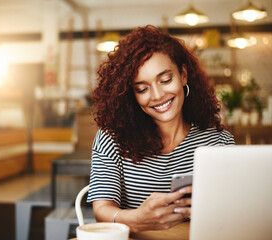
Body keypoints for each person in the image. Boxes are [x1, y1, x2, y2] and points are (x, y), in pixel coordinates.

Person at [86, 25, 235, 233]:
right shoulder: (112, 139)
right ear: (131, 95)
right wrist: (137, 219)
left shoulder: (219, 143)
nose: (157, 95)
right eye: (142, 88)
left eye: (166, 80)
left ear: (183, 75)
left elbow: (234, 213)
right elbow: (101, 209)